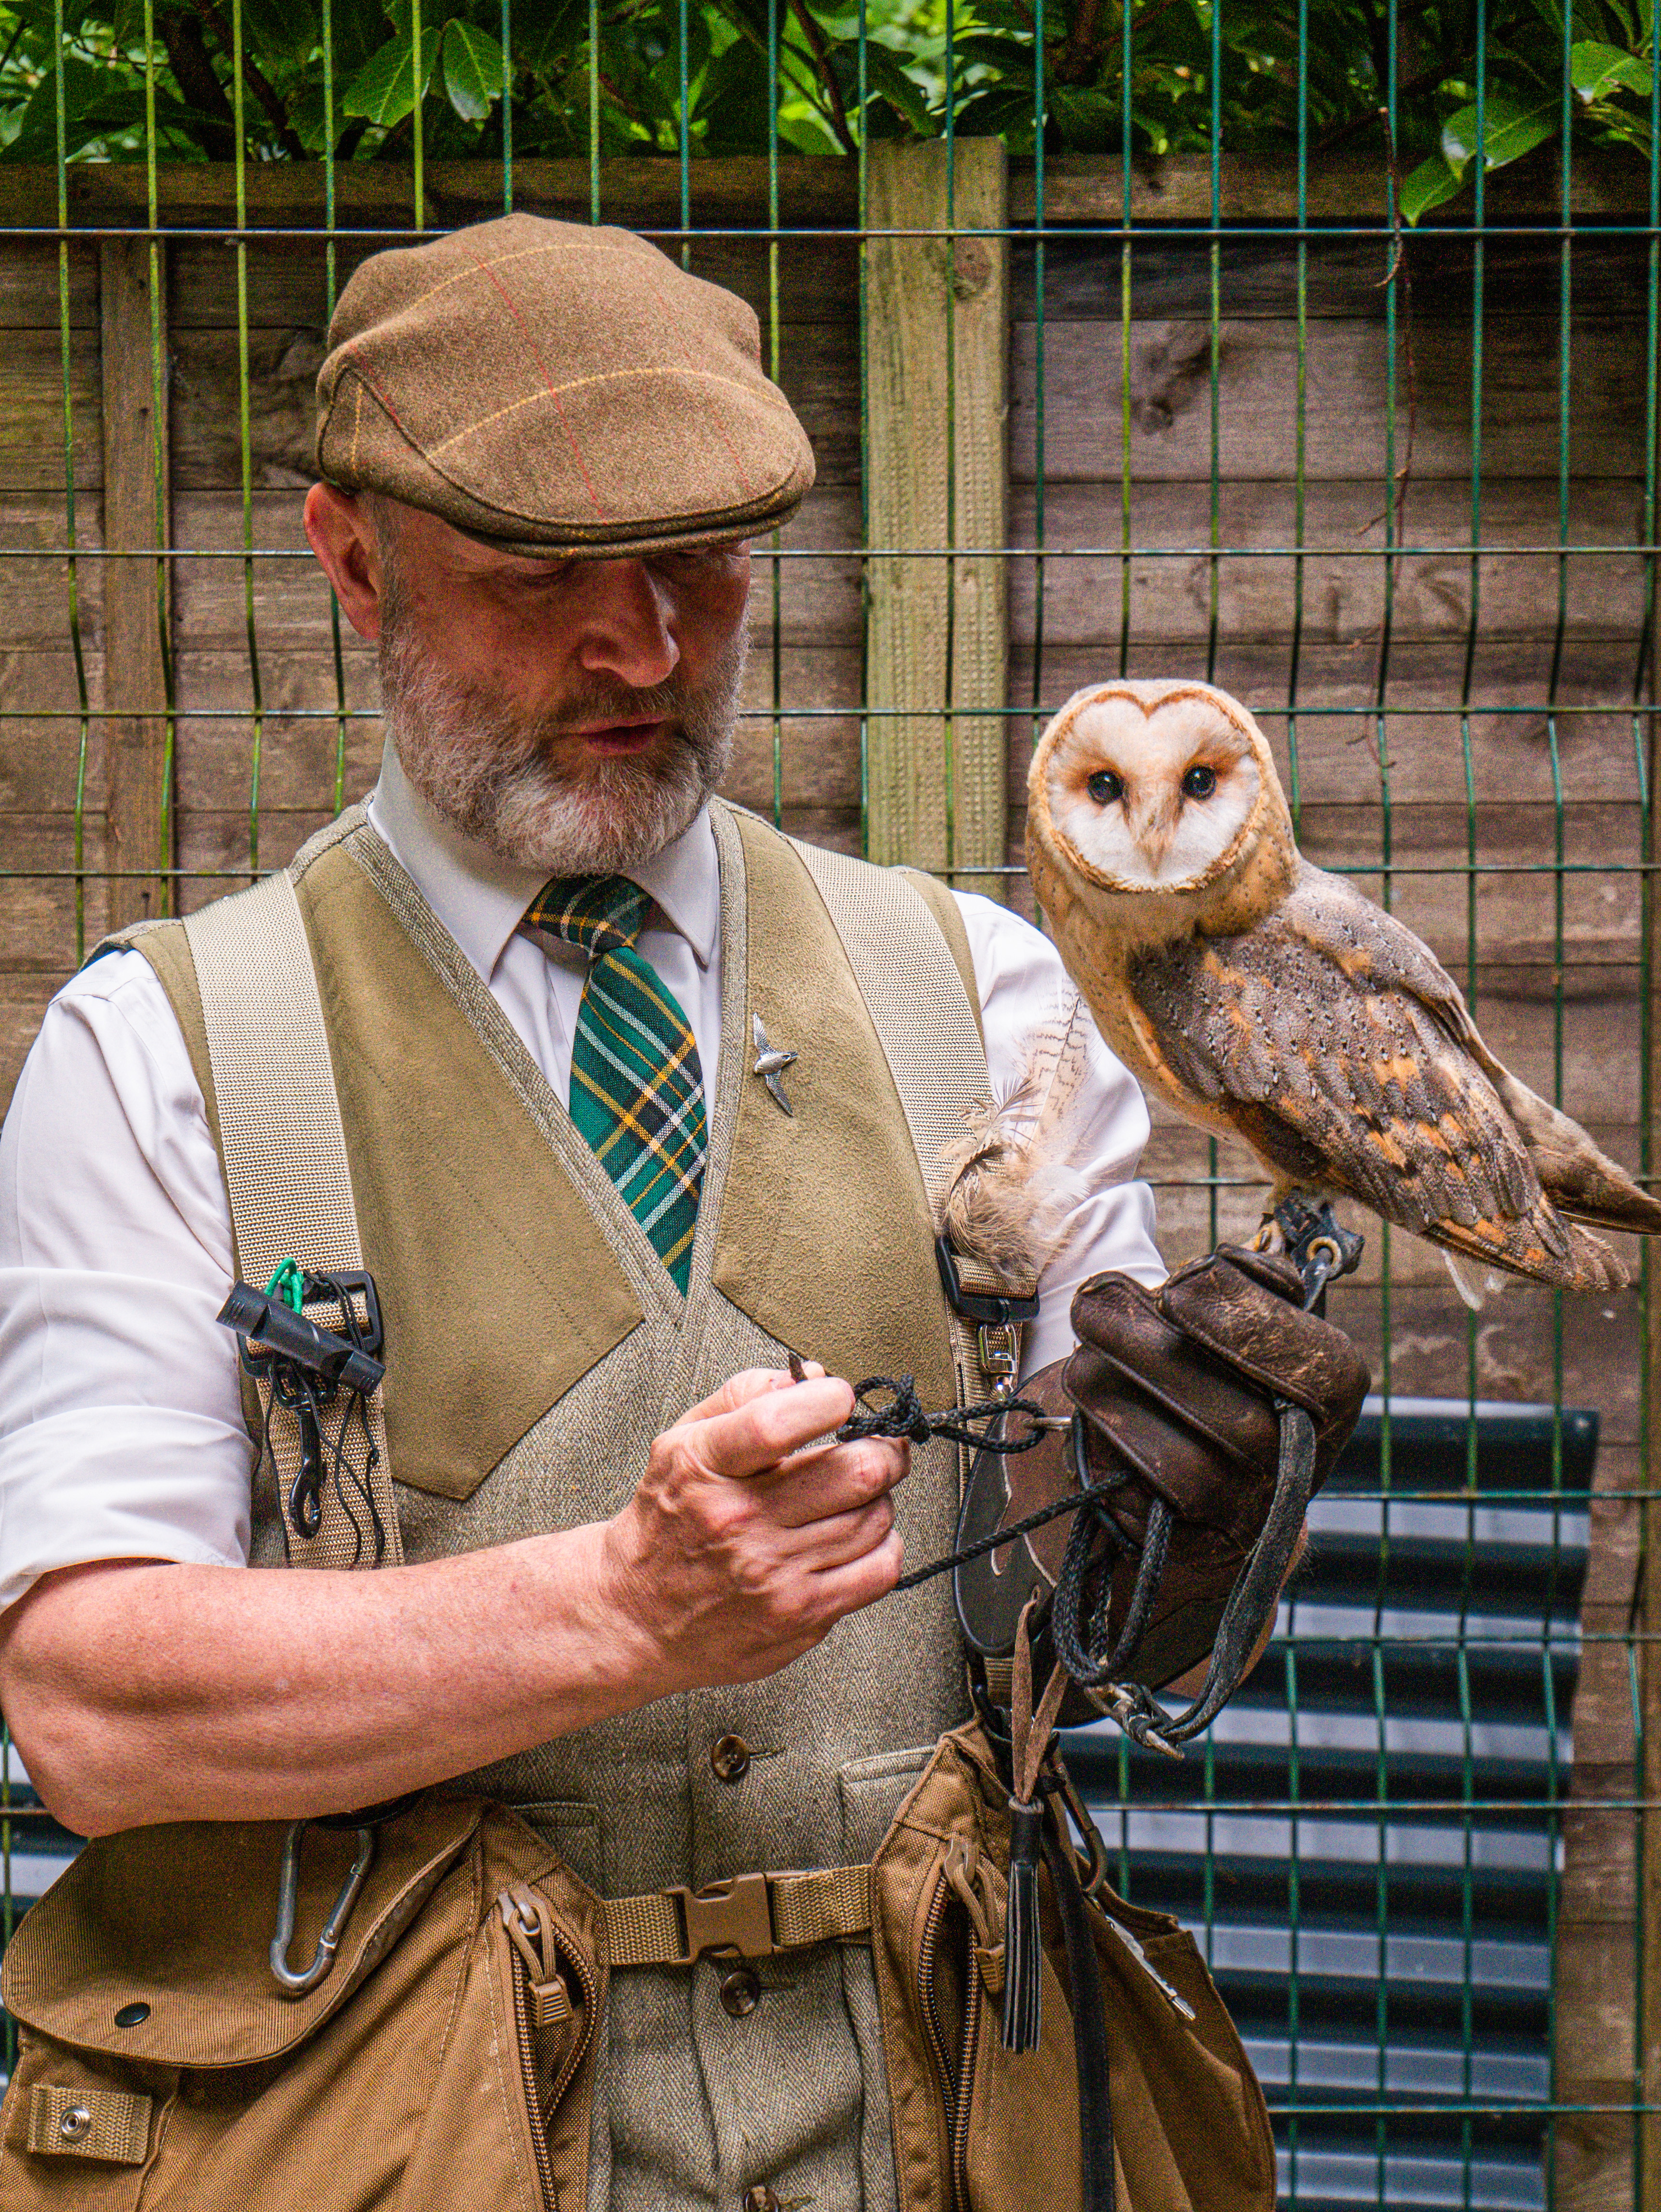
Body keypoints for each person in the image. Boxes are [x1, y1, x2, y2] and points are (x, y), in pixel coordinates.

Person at [0, 213, 1335, 2212]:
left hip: (942, 2119)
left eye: (701, 563)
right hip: (392, 2139)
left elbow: (1090, 1632)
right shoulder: (161, 1051)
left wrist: (1194, 1531)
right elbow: (94, 1702)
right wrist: (621, 1608)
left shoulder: (987, 995)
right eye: (544, 574)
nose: (642, 646)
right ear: (352, 555)